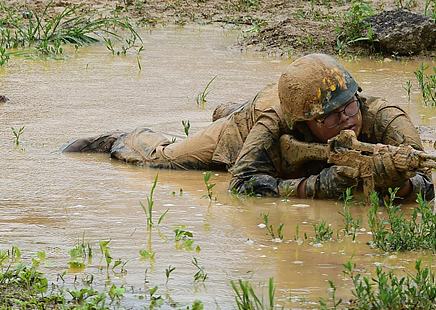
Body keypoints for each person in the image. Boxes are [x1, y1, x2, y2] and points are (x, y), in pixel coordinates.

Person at [64, 53, 434, 201]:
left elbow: (427, 184)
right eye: (331, 116)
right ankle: (120, 138)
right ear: (303, 121)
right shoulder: (274, 123)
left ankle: (229, 107)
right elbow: (241, 184)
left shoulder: (386, 118)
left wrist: (398, 185)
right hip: (243, 129)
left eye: (350, 105)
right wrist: (312, 187)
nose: (347, 118)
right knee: (162, 162)